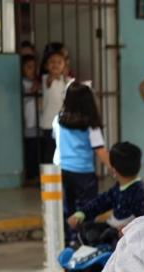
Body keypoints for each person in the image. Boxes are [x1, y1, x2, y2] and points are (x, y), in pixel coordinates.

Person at [52, 82, 110, 246]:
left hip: (61, 170)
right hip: (83, 174)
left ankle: (68, 240)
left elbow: (55, 138)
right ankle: (84, 240)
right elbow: (100, 151)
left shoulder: (58, 120)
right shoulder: (90, 125)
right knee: (86, 210)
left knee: (67, 208)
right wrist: (114, 169)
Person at [67, 141, 144, 247]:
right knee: (88, 228)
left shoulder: (139, 191)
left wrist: (129, 228)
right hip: (112, 230)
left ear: (113, 170)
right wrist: (81, 214)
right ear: (140, 166)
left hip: (126, 238)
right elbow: (99, 203)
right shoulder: (117, 189)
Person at [40, 48, 72, 164]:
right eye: (52, 62)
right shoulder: (45, 79)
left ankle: (60, 177)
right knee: (49, 153)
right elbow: (50, 80)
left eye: (59, 62)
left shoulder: (66, 81)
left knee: (62, 152)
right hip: (48, 124)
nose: (55, 65)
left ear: (65, 66)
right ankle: (48, 179)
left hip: (63, 123)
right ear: (46, 65)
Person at [21, 54, 40, 186]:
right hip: (27, 123)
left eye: (34, 67)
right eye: (29, 67)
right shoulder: (22, 84)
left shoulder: (38, 83)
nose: (32, 70)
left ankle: (35, 175)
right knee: (29, 151)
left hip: (38, 123)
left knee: (37, 150)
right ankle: (30, 176)